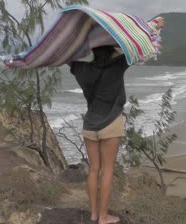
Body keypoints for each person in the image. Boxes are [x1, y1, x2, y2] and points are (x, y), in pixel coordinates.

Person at [70, 18, 165, 224]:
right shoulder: (118, 64)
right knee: (108, 170)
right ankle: (103, 217)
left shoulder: (80, 69)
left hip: (89, 125)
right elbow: (141, 47)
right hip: (111, 123)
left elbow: (65, 55)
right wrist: (154, 27)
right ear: (112, 49)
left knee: (93, 170)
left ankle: (94, 213)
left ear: (93, 50)